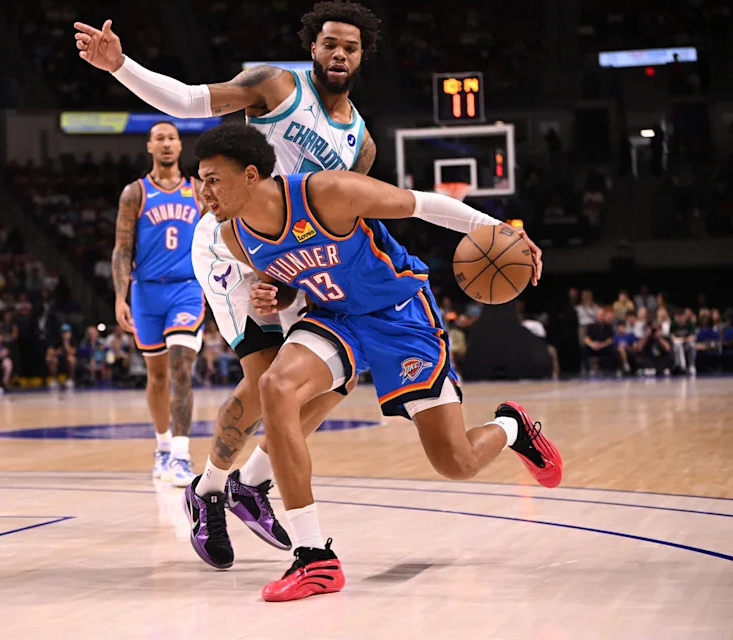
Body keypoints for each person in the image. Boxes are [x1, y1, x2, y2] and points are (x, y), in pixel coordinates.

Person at [193, 123, 561, 601]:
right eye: (200, 180)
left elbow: (423, 204)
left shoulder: (326, 192)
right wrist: (275, 292)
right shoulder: (234, 236)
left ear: (249, 175)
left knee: (456, 462)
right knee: (276, 386)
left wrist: (498, 230)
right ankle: (314, 558)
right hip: (336, 316)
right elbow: (288, 278)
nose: (203, 191)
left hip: (399, 314)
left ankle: (513, 427)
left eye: (212, 179)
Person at [75, 0, 381, 569]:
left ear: (362, 56)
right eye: (329, 43)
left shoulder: (361, 143)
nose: (339, 53)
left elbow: (339, 221)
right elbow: (191, 101)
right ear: (312, 47)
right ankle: (209, 489)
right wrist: (121, 66)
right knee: (268, 378)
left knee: (338, 375)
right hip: (230, 247)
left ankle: (251, 483)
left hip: (290, 262)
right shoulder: (277, 87)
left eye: (351, 46)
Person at [111, 121, 205, 486]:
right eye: (160, 139)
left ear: (180, 147)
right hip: (146, 291)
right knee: (157, 375)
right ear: (149, 147)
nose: (166, 144)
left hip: (186, 288)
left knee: (182, 366)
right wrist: (120, 296)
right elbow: (122, 248)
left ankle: (181, 454)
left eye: (172, 138)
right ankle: (163, 446)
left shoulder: (197, 190)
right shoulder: (135, 193)